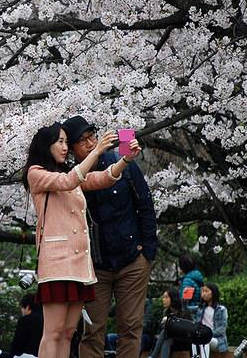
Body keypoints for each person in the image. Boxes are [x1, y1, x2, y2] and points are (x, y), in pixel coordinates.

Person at [22, 121, 141, 358]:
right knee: (53, 332)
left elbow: (101, 178)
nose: (65, 147)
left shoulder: (66, 173)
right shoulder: (36, 173)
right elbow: (69, 182)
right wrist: (97, 151)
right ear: (46, 145)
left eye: (67, 142)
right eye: (60, 142)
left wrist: (125, 159)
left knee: (68, 333)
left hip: (78, 264)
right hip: (57, 264)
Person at [62, 115, 157, 358]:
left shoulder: (121, 162)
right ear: (71, 148)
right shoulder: (69, 178)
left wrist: (148, 252)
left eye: (92, 136)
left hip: (132, 259)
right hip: (95, 266)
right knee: (92, 331)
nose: (90, 143)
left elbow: (144, 205)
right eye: (82, 141)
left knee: (131, 328)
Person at [147, 288, 192, 358]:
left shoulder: (184, 312)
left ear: (173, 298)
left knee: (166, 335)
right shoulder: (166, 312)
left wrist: (170, 323)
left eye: (166, 297)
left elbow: (186, 330)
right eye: (163, 297)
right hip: (170, 339)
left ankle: (153, 356)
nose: (163, 300)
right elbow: (163, 328)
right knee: (167, 339)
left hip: (183, 340)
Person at [194, 283, 228, 357]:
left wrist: (208, 334)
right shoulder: (201, 308)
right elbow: (186, 309)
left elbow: (222, 328)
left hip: (217, 340)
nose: (204, 293)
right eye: (203, 291)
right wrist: (185, 301)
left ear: (213, 293)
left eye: (206, 291)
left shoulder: (221, 309)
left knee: (204, 340)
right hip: (202, 337)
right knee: (194, 341)